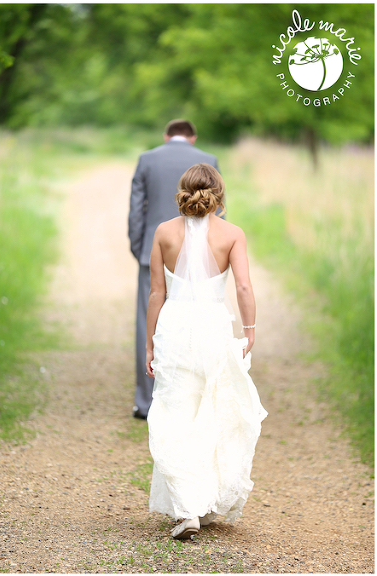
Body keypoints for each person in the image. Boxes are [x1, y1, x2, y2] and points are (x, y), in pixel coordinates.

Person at [145, 164, 267, 540]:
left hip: (175, 327)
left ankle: (187, 509)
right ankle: (202, 502)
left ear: (183, 191)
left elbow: (156, 294)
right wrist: (249, 330)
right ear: (219, 194)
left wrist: (149, 343)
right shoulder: (232, 234)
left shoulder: (164, 232)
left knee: (175, 412)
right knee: (211, 409)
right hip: (213, 325)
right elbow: (244, 288)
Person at [128, 119, 220, 420]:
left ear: (166, 136)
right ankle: (194, 399)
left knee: (149, 320)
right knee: (197, 321)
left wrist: (139, 248)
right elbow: (219, 213)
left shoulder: (147, 159)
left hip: (152, 251)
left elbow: (136, 209)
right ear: (193, 138)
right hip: (204, 257)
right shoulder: (209, 160)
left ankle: (147, 402)